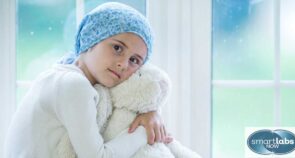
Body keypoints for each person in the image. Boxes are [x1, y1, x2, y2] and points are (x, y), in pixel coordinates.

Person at [5, 2, 172, 158]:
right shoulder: (74, 85)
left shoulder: (66, 73)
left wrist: (151, 113)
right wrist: (144, 131)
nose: (123, 64)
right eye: (117, 48)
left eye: (134, 60)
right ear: (92, 37)